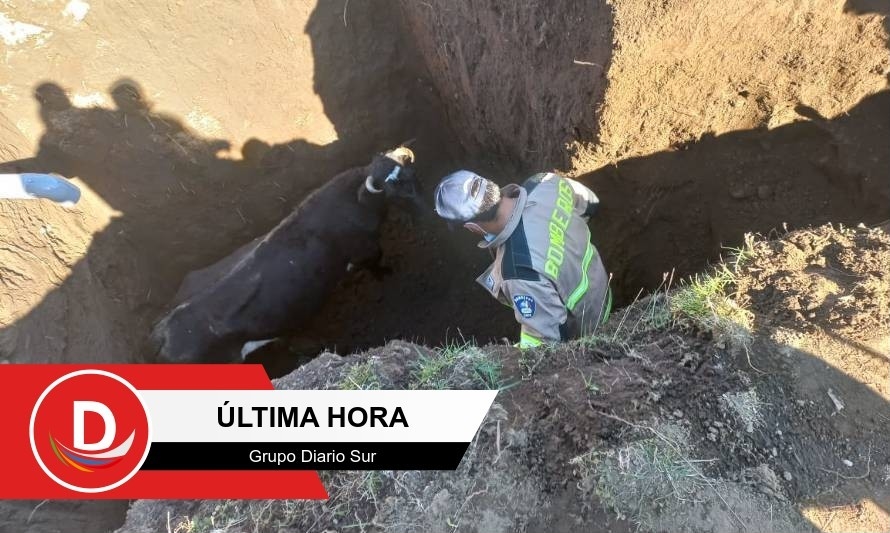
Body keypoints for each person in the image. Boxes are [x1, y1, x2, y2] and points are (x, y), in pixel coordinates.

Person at [434, 170, 612, 349]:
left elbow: (546, 347)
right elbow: (590, 202)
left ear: (471, 227)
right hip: (600, 283)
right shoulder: (544, 182)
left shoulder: (518, 272)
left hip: (592, 325)